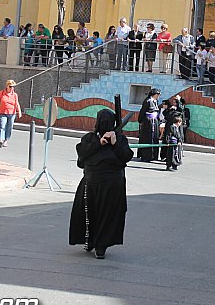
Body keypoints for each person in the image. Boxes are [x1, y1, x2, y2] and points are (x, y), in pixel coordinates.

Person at [69, 109, 134, 259]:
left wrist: (115, 143)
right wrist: (99, 143)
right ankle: (92, 241)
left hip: (111, 186)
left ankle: (100, 246)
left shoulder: (118, 139)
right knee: (91, 214)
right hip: (93, 183)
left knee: (105, 215)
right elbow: (82, 158)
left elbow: (126, 157)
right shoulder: (90, 139)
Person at [0, 80, 22, 148]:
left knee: (9, 127)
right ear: (7, 86)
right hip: (3, 112)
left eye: (13, 87)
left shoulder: (15, 95)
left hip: (12, 113)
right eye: (10, 86)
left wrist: (19, 111)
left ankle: (6, 140)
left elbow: (17, 103)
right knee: (2, 125)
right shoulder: (2, 93)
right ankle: (1, 139)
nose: (11, 88)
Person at [137, 88, 161, 162]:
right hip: (148, 122)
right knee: (147, 137)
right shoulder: (147, 101)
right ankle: (146, 155)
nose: (159, 96)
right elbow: (143, 111)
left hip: (155, 121)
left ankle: (153, 155)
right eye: (158, 95)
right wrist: (140, 120)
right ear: (155, 94)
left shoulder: (156, 101)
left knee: (155, 137)